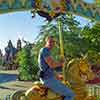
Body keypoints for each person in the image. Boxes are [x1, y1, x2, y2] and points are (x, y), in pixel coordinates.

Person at [38, 36, 75, 100]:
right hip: (48, 79)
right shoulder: (44, 50)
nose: (52, 43)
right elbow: (52, 65)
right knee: (70, 94)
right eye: (50, 41)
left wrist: (57, 75)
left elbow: (49, 68)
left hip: (49, 77)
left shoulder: (47, 51)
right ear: (46, 42)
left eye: (53, 42)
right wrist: (62, 63)